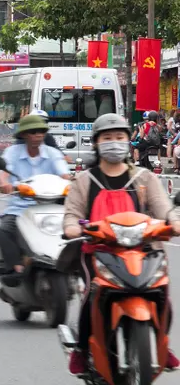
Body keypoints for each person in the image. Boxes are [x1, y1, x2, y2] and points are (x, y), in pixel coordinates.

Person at [62, 113, 180, 374]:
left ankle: (162, 343)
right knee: (91, 295)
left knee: (161, 293)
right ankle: (81, 349)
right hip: (99, 251)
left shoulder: (143, 178)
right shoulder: (84, 181)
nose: (114, 143)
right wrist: (72, 228)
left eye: (119, 137)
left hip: (142, 250)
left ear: (128, 141)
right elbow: (72, 214)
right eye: (107, 138)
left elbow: (164, 207)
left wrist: (173, 221)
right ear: (96, 143)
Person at [0, 114, 69, 282]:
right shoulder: (13, 152)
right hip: (20, 208)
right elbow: (4, 176)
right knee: (5, 229)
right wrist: (5, 183)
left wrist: (71, 183)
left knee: (76, 230)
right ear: (24, 135)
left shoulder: (52, 153)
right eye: (33, 132)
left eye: (41, 132)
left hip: (51, 207)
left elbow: (64, 174)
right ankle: (15, 267)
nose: (37, 136)